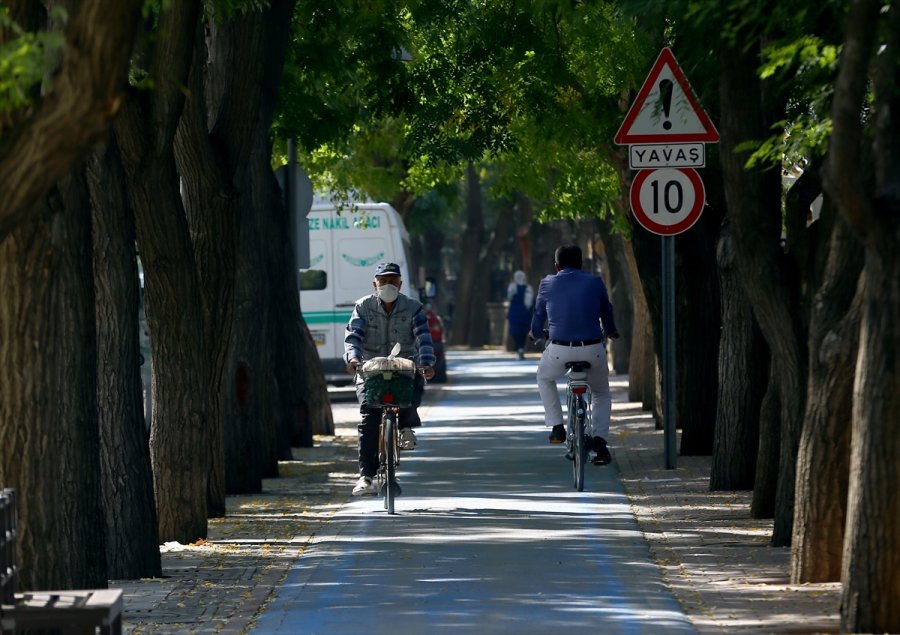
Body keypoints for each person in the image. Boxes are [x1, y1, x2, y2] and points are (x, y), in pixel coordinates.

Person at [344, 262, 436, 496]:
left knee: (413, 385)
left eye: (392, 281)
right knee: (368, 416)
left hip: (403, 366)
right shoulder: (362, 307)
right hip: (370, 369)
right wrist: (353, 360)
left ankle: (406, 427)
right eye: (383, 281)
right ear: (375, 284)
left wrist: (426, 363)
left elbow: (423, 338)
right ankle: (366, 475)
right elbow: (353, 336)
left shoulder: (413, 307)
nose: (388, 285)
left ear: (400, 284)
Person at [530, 245, 619, 465]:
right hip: (592, 349)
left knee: (544, 377)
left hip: (559, 349)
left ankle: (557, 427)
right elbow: (607, 312)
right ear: (582, 264)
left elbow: (539, 314)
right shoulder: (595, 282)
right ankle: (600, 443)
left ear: (556, 266)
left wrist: (534, 333)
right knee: (600, 393)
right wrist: (611, 331)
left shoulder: (547, 283)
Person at [506, 270, 534, 360]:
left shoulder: (513, 287)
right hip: (524, 312)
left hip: (515, 311)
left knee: (518, 331)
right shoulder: (527, 288)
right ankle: (520, 348)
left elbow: (508, 297)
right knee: (521, 331)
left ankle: (520, 348)